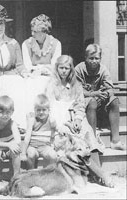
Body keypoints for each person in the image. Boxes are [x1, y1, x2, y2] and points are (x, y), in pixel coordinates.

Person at [45, 55, 114, 187]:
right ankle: (102, 175)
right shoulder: (51, 85)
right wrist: (64, 124)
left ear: (71, 69)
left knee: (88, 134)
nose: (64, 71)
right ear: (57, 68)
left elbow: (80, 105)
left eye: (67, 68)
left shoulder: (76, 85)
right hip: (60, 122)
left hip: (75, 118)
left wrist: (77, 119)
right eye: (61, 68)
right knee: (76, 142)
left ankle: (96, 175)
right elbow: (50, 109)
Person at [75, 44, 126, 151]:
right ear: (85, 57)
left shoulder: (103, 69)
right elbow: (77, 91)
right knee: (92, 101)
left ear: (100, 58)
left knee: (114, 100)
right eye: (91, 58)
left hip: (100, 101)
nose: (94, 61)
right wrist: (93, 94)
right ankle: (92, 140)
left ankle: (115, 141)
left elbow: (110, 88)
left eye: (97, 58)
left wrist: (104, 94)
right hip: (84, 103)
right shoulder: (79, 69)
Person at [22, 14, 62, 113]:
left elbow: (55, 66)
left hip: (49, 76)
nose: (32, 34)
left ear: (44, 32)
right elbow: (27, 66)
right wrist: (38, 70)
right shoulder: (26, 44)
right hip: (32, 77)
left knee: (50, 85)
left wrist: (41, 70)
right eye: (32, 30)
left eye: (35, 31)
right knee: (29, 85)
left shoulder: (56, 44)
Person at [0, 95, 21, 193]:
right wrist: (6, 146)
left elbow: (18, 140)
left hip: (7, 149)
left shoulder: (12, 123)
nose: (5, 115)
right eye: (1, 112)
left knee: (16, 149)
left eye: (8, 112)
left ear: (12, 112)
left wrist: (10, 146)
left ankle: (16, 177)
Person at [21, 94, 57, 169]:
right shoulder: (32, 121)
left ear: (49, 110)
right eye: (38, 110)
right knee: (31, 154)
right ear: (34, 110)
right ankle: (31, 172)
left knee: (53, 155)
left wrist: (52, 145)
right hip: (33, 146)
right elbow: (27, 138)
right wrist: (23, 153)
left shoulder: (51, 121)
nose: (41, 112)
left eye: (44, 110)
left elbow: (53, 135)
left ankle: (50, 172)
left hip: (45, 147)